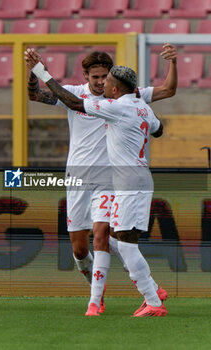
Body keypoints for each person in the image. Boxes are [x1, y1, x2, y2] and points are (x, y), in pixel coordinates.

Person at [25, 46, 176, 316]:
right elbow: (35, 95)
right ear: (86, 75)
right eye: (95, 77)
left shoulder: (121, 98)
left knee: (104, 236)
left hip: (113, 179)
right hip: (80, 179)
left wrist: (41, 69)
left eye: (105, 77)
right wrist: (33, 74)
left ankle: (101, 301)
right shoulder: (91, 95)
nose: (100, 82)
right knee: (82, 249)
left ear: (113, 82)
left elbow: (167, 90)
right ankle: (145, 287)